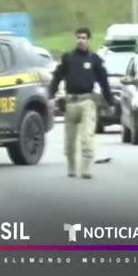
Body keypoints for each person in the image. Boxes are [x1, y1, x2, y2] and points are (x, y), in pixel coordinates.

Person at [48, 27, 113, 179]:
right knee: (70, 141)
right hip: (70, 103)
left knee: (86, 137)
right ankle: (71, 166)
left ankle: (86, 169)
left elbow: (104, 81)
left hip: (87, 103)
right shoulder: (68, 58)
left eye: (84, 38)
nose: (81, 40)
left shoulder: (94, 59)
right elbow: (57, 77)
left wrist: (109, 101)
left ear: (88, 40)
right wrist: (50, 94)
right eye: (78, 37)